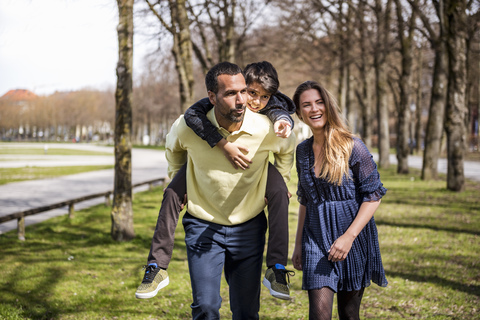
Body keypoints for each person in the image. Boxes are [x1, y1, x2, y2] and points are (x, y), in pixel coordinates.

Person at [135, 61, 296, 301]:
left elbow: (287, 146)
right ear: (212, 96)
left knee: (246, 311)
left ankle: (277, 268)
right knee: (205, 307)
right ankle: (156, 267)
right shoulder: (189, 122)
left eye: (245, 92)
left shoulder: (267, 126)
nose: (245, 101)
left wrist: (280, 179)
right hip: (203, 224)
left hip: (248, 225)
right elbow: (174, 147)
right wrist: (183, 176)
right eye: (233, 93)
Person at [291, 80, 388, 320]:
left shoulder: (352, 146)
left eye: (319, 102)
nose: (314, 109)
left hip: (352, 240)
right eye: (306, 105)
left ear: (328, 106)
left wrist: (348, 237)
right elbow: (305, 199)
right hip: (315, 239)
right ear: (300, 113)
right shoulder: (302, 151)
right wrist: (298, 244)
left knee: (349, 314)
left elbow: (373, 195)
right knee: (320, 314)